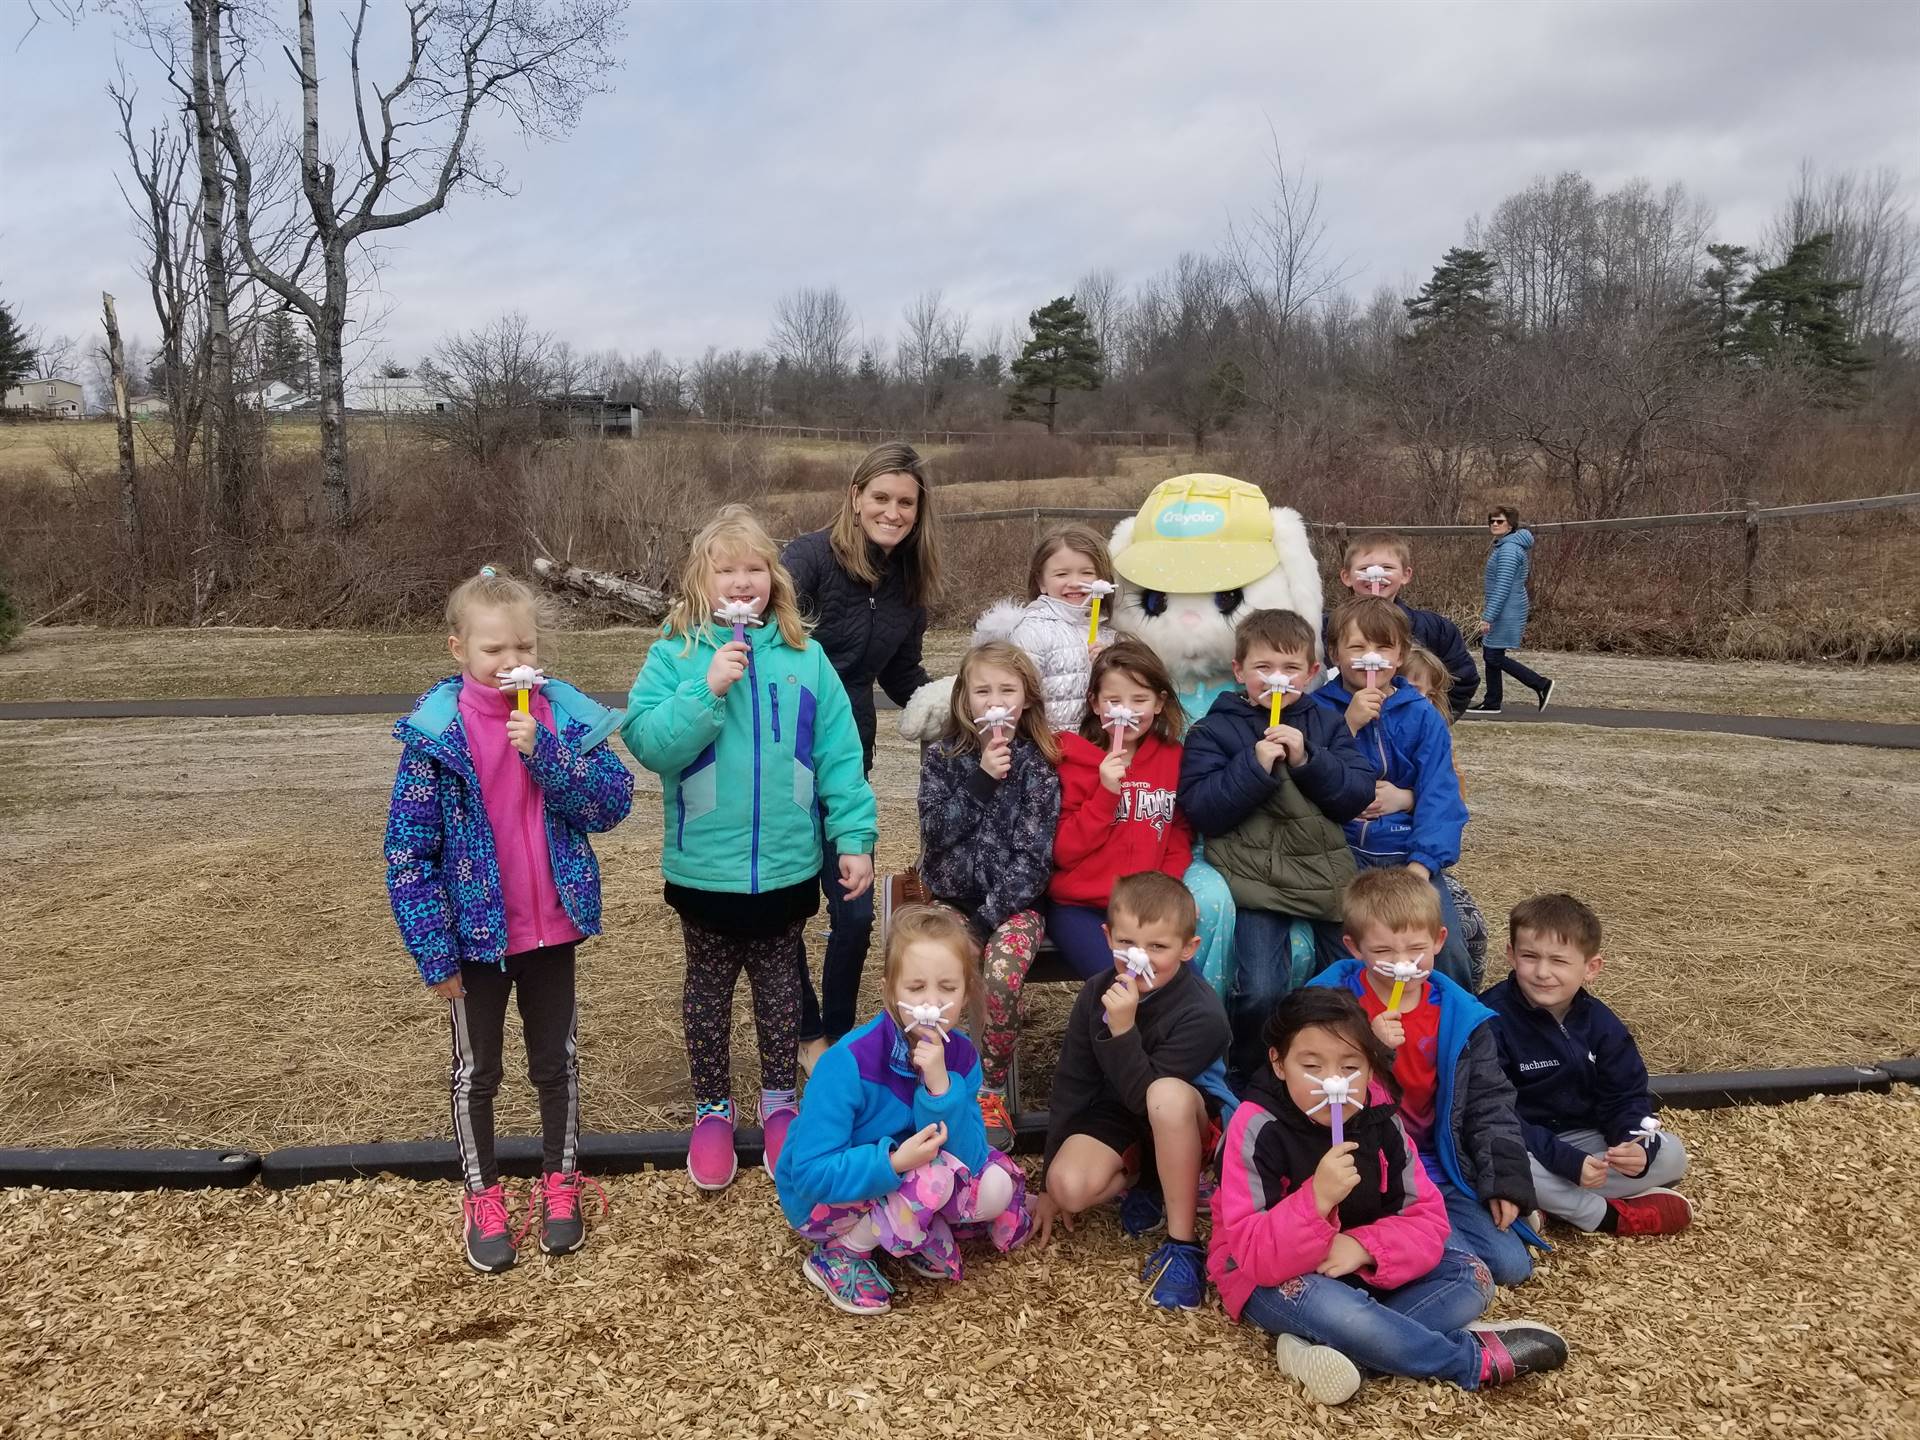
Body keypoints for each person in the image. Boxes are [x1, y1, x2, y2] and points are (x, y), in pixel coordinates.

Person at [385, 565, 634, 1273]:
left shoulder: (558, 716)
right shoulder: (437, 737)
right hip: (474, 944)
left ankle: (561, 1182)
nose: (511, 662)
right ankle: (483, 1193)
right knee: (478, 1072)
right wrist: (435, 956)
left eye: (522, 646)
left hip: (552, 928)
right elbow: (409, 853)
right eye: (494, 650)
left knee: (556, 1063)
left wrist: (546, 754)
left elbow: (612, 804)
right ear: (458, 649)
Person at [624, 507, 877, 1191]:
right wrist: (707, 692)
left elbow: (839, 758)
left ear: (774, 579)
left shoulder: (805, 657)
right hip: (705, 869)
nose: (743, 582)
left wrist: (852, 838)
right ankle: (711, 1110)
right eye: (726, 569)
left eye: (754, 569)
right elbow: (648, 743)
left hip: (789, 868)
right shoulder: (676, 654)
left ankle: (778, 1104)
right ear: (701, 581)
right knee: (706, 995)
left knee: (779, 996)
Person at [1211, 988, 1568, 1404]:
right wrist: (1316, 1200)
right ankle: (1464, 1360)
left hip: (1364, 1267)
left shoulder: (1381, 1118)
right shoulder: (1253, 1127)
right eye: (1311, 1066)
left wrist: (1364, 1246)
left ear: (1370, 1066)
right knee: (1338, 1311)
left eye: (1350, 1066)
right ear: (1278, 1063)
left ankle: (1336, 1351)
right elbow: (1253, 1253)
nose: (1333, 1081)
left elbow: (1427, 1219)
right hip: (1276, 1276)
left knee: (1472, 1275)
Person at [775, 905, 1031, 1314]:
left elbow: (971, 1156)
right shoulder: (848, 1062)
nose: (932, 1003)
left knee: (995, 1183)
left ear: (966, 992)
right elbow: (809, 1174)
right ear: (889, 989)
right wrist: (893, 1164)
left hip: (909, 1174)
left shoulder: (961, 1055)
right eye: (916, 988)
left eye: (947, 988)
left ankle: (906, 1228)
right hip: (823, 1202)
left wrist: (940, 1087)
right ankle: (840, 1254)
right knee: (931, 1178)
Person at [783, 442, 940, 1067]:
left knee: (852, 911)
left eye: (905, 501)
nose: (893, 511)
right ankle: (805, 1029)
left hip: (852, 761)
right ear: (854, 497)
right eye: (880, 497)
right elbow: (771, 641)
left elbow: (903, 676)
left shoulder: (910, 583)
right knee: (784, 905)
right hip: (785, 758)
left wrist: (956, 712)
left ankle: (841, 1036)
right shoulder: (808, 560)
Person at [1309, 867, 1542, 1286]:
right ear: (1354, 947)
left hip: (1435, 1161)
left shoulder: (1461, 1015)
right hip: (1367, 1162)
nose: (1402, 964)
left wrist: (1504, 1181)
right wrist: (1365, 1047)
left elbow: (1489, 1102)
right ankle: (1398, 1247)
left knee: (1512, 1266)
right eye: (1383, 951)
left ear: (1438, 940)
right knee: (1457, 1265)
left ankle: (1413, 1241)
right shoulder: (1328, 1005)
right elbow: (1315, 1090)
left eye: (1415, 950)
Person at [1178, 608, 1374, 1084]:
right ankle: (1251, 1071)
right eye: (1263, 669)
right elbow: (1202, 808)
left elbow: (1356, 794)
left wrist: (1307, 758)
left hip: (1322, 875)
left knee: (1347, 979)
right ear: (1239, 671)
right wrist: (1253, 766)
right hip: (1254, 880)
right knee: (1259, 988)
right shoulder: (1213, 730)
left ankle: (1346, 1068)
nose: (1277, 680)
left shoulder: (1326, 725)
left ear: (1311, 673)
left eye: (1289, 669)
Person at [1033, 872, 1233, 1312]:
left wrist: (1122, 1030)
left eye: (1158, 947)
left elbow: (1149, 1099)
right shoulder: (1094, 992)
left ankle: (1183, 1244)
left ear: (1189, 948)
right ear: (1106, 937)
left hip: (1182, 1117)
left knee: (1166, 1095)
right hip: (1120, 1110)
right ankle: (1147, 1183)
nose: (1139, 958)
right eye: (1126, 943)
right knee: (1068, 1187)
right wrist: (1048, 1179)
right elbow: (1072, 1082)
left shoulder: (1203, 1013)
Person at [917, 640, 1062, 1148]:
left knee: (999, 977)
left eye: (1007, 690)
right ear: (965, 699)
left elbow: (1033, 859)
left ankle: (992, 1086)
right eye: (983, 691)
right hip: (950, 900)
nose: (995, 700)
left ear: (1025, 700)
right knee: (934, 971)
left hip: (1014, 908)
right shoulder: (943, 758)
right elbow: (934, 832)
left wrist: (988, 919)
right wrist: (980, 778)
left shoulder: (1039, 769)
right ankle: (936, 1078)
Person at [1483, 894, 1692, 1236]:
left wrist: (1633, 1143)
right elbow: (1494, 1112)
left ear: (1590, 968)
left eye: (1559, 961)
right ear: (1510, 954)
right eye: (1529, 957)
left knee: (1670, 1155)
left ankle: (1543, 1207)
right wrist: (1565, 1161)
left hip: (1583, 1140)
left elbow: (1626, 1096)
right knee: (1500, 1164)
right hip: (1523, 1142)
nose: (1542, 972)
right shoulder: (1490, 1019)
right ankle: (1605, 1216)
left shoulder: (1601, 1023)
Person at [1315, 596, 1476, 988]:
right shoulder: (1316, 710)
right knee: (1343, 950)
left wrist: (1421, 866)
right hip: (1340, 851)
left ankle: (1455, 1028)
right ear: (1334, 653)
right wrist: (1347, 728)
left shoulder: (1421, 715)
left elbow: (1441, 793)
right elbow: (1309, 777)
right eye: (1357, 648)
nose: (1371, 657)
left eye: (1383, 647)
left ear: (1401, 654)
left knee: (1448, 949)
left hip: (1404, 852)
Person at [1048, 639, 1220, 979]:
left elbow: (1176, 832)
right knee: (1125, 985)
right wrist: (1106, 795)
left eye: (1139, 700)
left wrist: (1167, 890)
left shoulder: (1172, 758)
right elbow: (1064, 852)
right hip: (1080, 907)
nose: (1125, 711)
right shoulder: (1070, 759)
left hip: (1145, 908)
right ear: (1094, 704)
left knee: (1187, 990)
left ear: (1159, 703)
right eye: (1113, 701)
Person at [1392, 647, 1489, 987]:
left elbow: (1451, 798)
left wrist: (1409, 799)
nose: (1422, 698)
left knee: (1456, 938)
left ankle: (1460, 1012)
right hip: (1372, 850)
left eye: (1431, 692)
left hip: (1421, 858)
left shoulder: (1435, 734)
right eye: (1412, 686)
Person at [971, 523, 1117, 732]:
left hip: (1093, 747)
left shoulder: (1109, 634)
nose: (1074, 582)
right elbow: (1018, 695)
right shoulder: (1032, 631)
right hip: (1044, 745)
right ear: (1041, 582)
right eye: (1061, 574)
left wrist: (1108, 665)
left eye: (1086, 572)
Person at [1329, 531, 1478, 718]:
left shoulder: (1436, 629)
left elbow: (1464, 679)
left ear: (1405, 575)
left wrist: (1433, 721)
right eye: (1365, 568)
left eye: (1387, 567)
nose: (1376, 574)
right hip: (1346, 732)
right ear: (1347, 576)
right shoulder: (1328, 628)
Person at [1471, 506, 1554, 714]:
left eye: (1499, 521)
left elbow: (1503, 586)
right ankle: (1492, 702)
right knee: (1491, 652)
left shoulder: (1508, 550)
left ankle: (1541, 684)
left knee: (1493, 656)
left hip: (1507, 609)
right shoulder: (1507, 545)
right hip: (1505, 606)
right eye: (1491, 521)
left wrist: (1488, 617)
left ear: (1511, 524)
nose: (1494, 525)